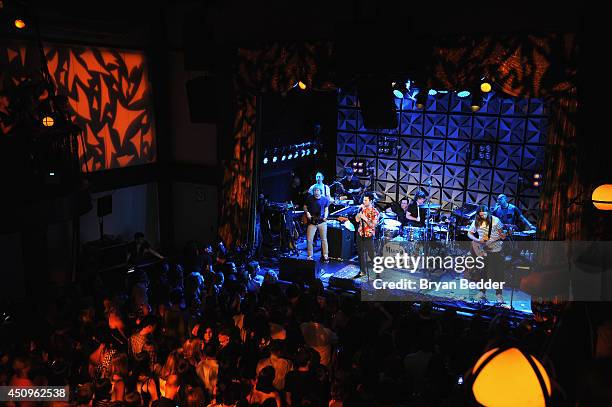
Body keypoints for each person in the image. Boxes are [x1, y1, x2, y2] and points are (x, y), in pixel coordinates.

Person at [467, 205, 506, 303]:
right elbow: (469, 233)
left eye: (484, 214)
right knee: (482, 272)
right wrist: (478, 240)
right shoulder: (476, 221)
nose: (483, 217)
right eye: (481, 215)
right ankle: (482, 292)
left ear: (488, 213)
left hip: (496, 250)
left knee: (497, 274)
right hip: (483, 250)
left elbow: (502, 235)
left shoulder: (496, 221)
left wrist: (502, 235)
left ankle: (499, 294)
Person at [354, 192, 379, 279]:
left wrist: (365, 218)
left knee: (371, 254)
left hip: (369, 235)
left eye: (366, 200)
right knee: (360, 253)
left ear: (371, 201)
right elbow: (357, 220)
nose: (364, 201)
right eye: (363, 200)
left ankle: (377, 272)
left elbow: (373, 225)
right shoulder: (362, 209)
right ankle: (362, 271)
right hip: (360, 234)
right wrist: (359, 212)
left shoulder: (374, 212)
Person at [303, 186, 330, 262]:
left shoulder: (325, 199)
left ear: (320, 192)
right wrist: (307, 213)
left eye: (318, 191)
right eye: (315, 191)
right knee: (309, 239)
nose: (316, 192)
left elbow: (326, 209)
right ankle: (310, 256)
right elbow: (305, 206)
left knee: (324, 239)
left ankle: (325, 255)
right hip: (312, 222)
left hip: (322, 222)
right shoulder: (309, 198)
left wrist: (325, 216)